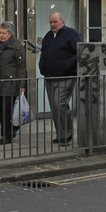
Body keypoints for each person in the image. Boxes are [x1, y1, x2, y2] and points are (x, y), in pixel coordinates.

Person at [38, 12, 83, 144]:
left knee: (59, 103)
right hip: (49, 76)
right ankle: (61, 134)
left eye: (55, 22)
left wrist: (67, 64)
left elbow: (81, 51)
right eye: (50, 22)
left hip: (66, 76)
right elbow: (44, 53)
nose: (52, 25)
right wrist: (42, 66)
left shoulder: (72, 34)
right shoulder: (48, 36)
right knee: (55, 107)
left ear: (62, 22)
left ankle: (67, 133)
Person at [0, 21, 27, 145]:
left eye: (4, 33)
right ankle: (13, 128)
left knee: (6, 109)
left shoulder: (17, 46)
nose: (1, 35)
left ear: (10, 33)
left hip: (10, 82)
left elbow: (21, 67)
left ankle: (6, 136)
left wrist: (21, 85)